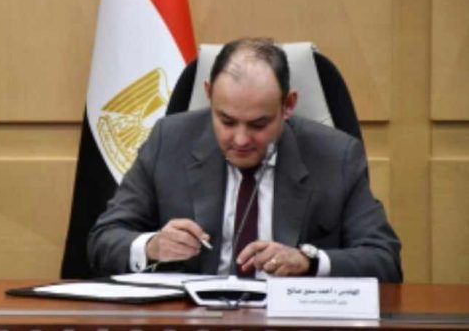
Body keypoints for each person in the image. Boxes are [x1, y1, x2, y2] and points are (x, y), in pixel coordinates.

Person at [87, 38, 402, 282]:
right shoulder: (168, 141)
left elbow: (384, 259)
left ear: (288, 105)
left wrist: (309, 261)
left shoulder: (335, 156)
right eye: (226, 121)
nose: (240, 139)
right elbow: (103, 239)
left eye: (258, 124)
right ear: (209, 95)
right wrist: (152, 246)